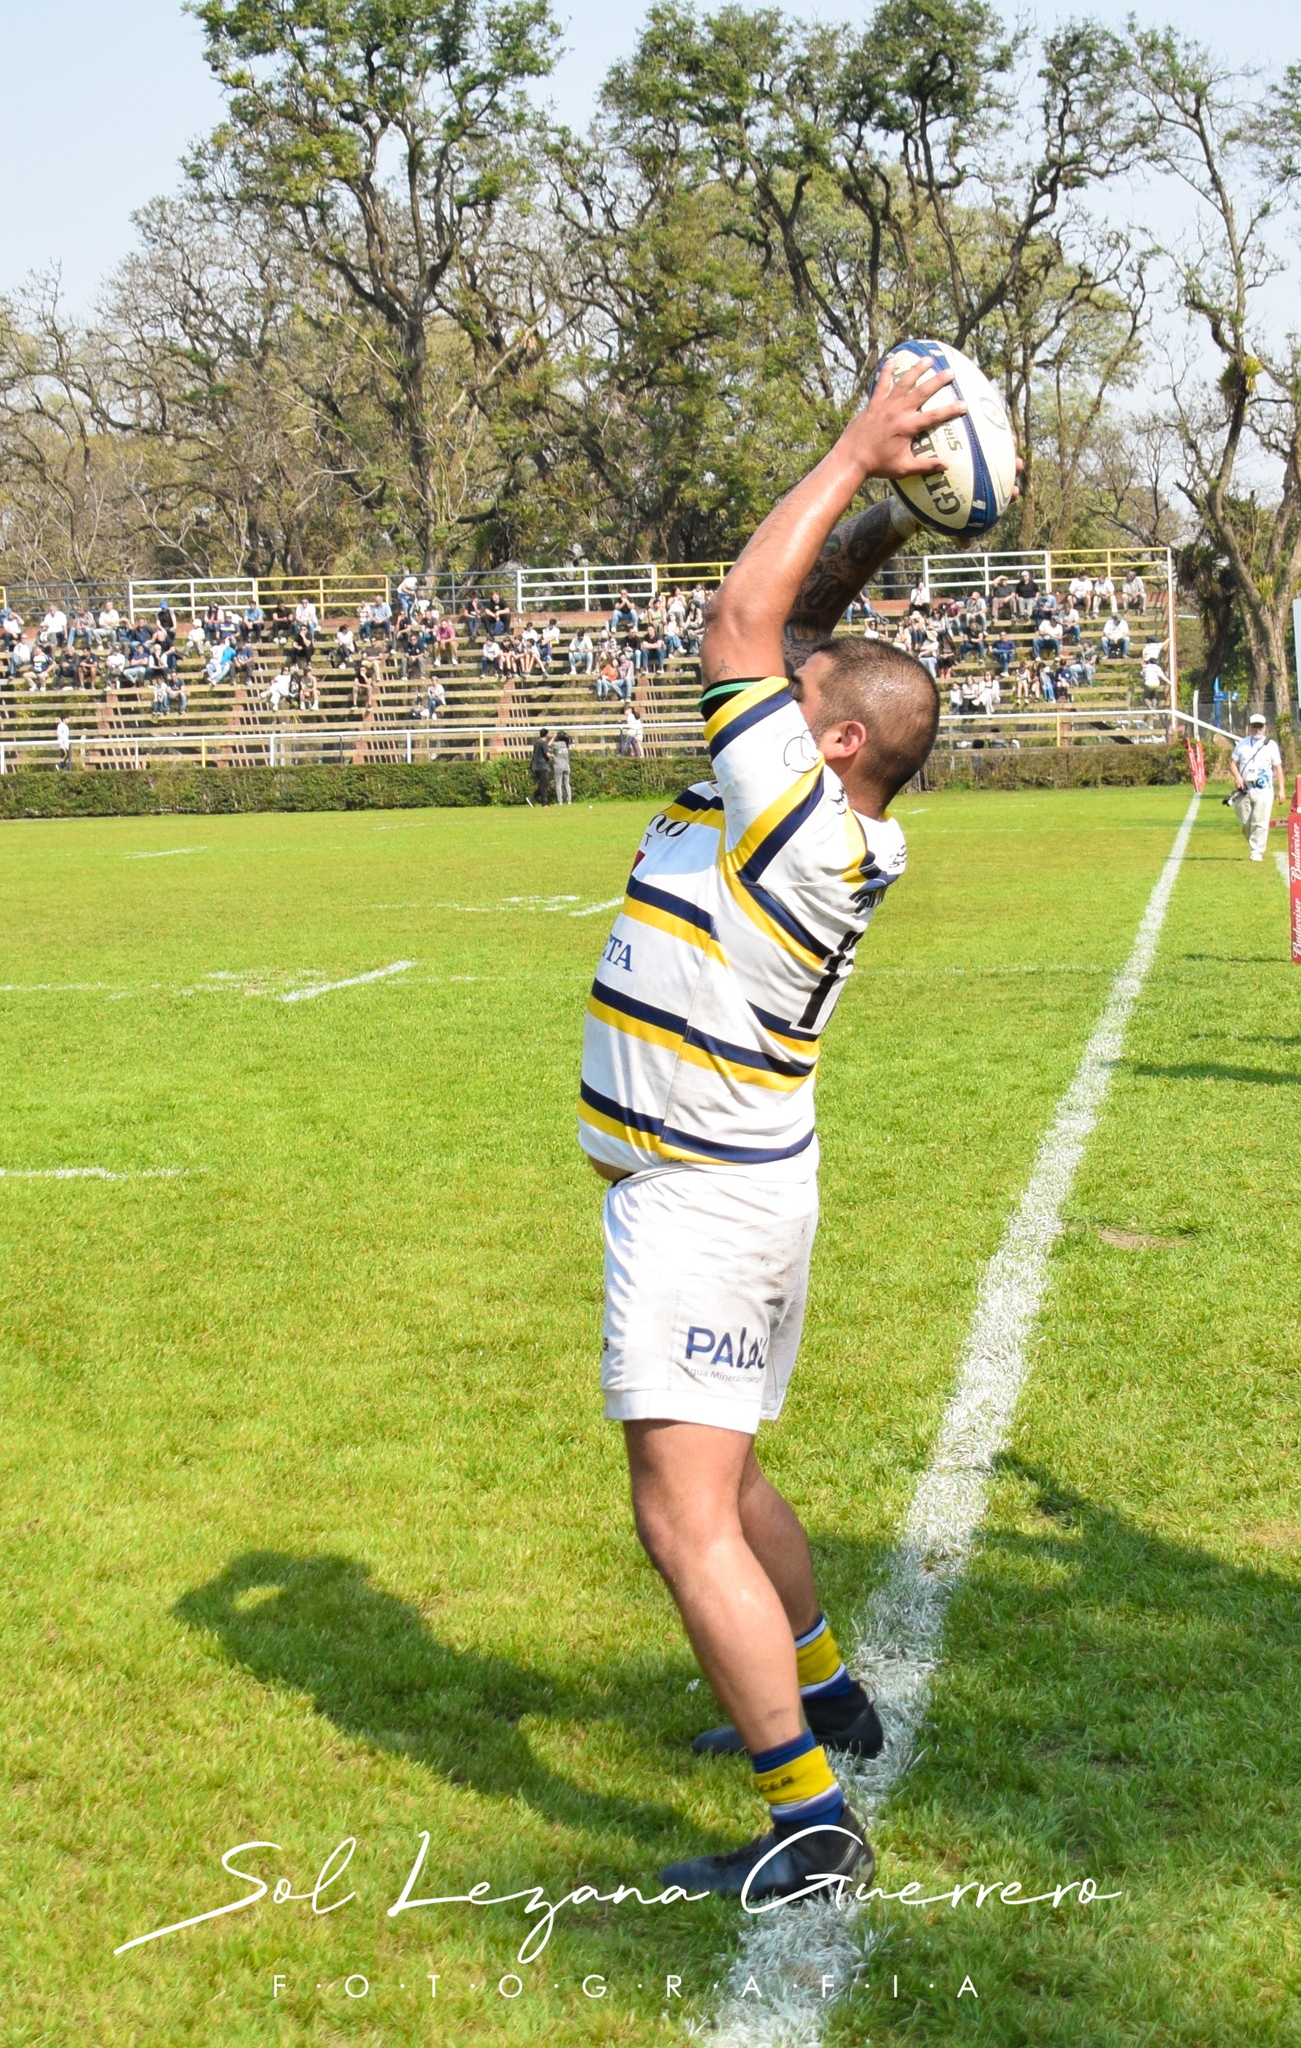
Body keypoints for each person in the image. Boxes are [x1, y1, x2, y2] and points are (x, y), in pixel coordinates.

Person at [577, 357, 967, 1902]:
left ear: (837, 747)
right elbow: (791, 631)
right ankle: (831, 1702)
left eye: (803, 697)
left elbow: (742, 623)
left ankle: (805, 1826)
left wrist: (858, 445)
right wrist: (883, 506)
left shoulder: (793, 817)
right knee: (729, 1483)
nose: (774, 681)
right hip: (738, 1181)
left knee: (678, 1521)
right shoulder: (816, 794)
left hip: (697, 1201)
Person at [1228, 713, 1285, 861]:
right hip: (1245, 789)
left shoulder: (1271, 745)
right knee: (1245, 822)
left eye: (1260, 726)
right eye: (1254, 726)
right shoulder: (1242, 744)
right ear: (1250, 727)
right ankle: (1254, 844)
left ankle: (1256, 851)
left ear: (1264, 727)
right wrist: (1238, 777)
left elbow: (1278, 768)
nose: (1257, 729)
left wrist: (1282, 789)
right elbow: (1233, 763)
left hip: (1264, 789)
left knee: (1260, 821)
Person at [529, 729, 552, 805]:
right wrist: (553, 755)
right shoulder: (543, 743)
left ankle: (532, 798)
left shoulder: (537, 742)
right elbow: (547, 754)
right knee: (543, 785)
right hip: (542, 766)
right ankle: (544, 802)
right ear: (546, 735)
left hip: (535, 766)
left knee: (543, 784)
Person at [552, 729, 572, 805]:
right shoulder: (565, 744)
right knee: (567, 783)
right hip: (566, 766)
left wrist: (553, 737)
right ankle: (569, 800)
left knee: (558, 784)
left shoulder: (556, 745)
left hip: (558, 766)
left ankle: (560, 801)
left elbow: (548, 745)